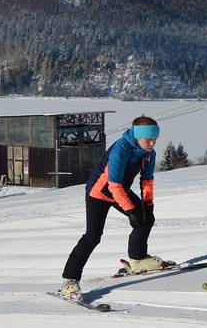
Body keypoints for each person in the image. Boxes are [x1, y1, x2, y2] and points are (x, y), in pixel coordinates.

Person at [60, 115, 171, 301]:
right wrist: (130, 210)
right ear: (137, 136)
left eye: (155, 139)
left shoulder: (149, 154)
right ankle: (69, 280)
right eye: (148, 139)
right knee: (93, 236)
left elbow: (147, 180)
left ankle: (137, 259)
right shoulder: (121, 149)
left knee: (145, 219)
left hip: (119, 191)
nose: (152, 143)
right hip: (99, 193)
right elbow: (114, 185)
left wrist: (148, 205)